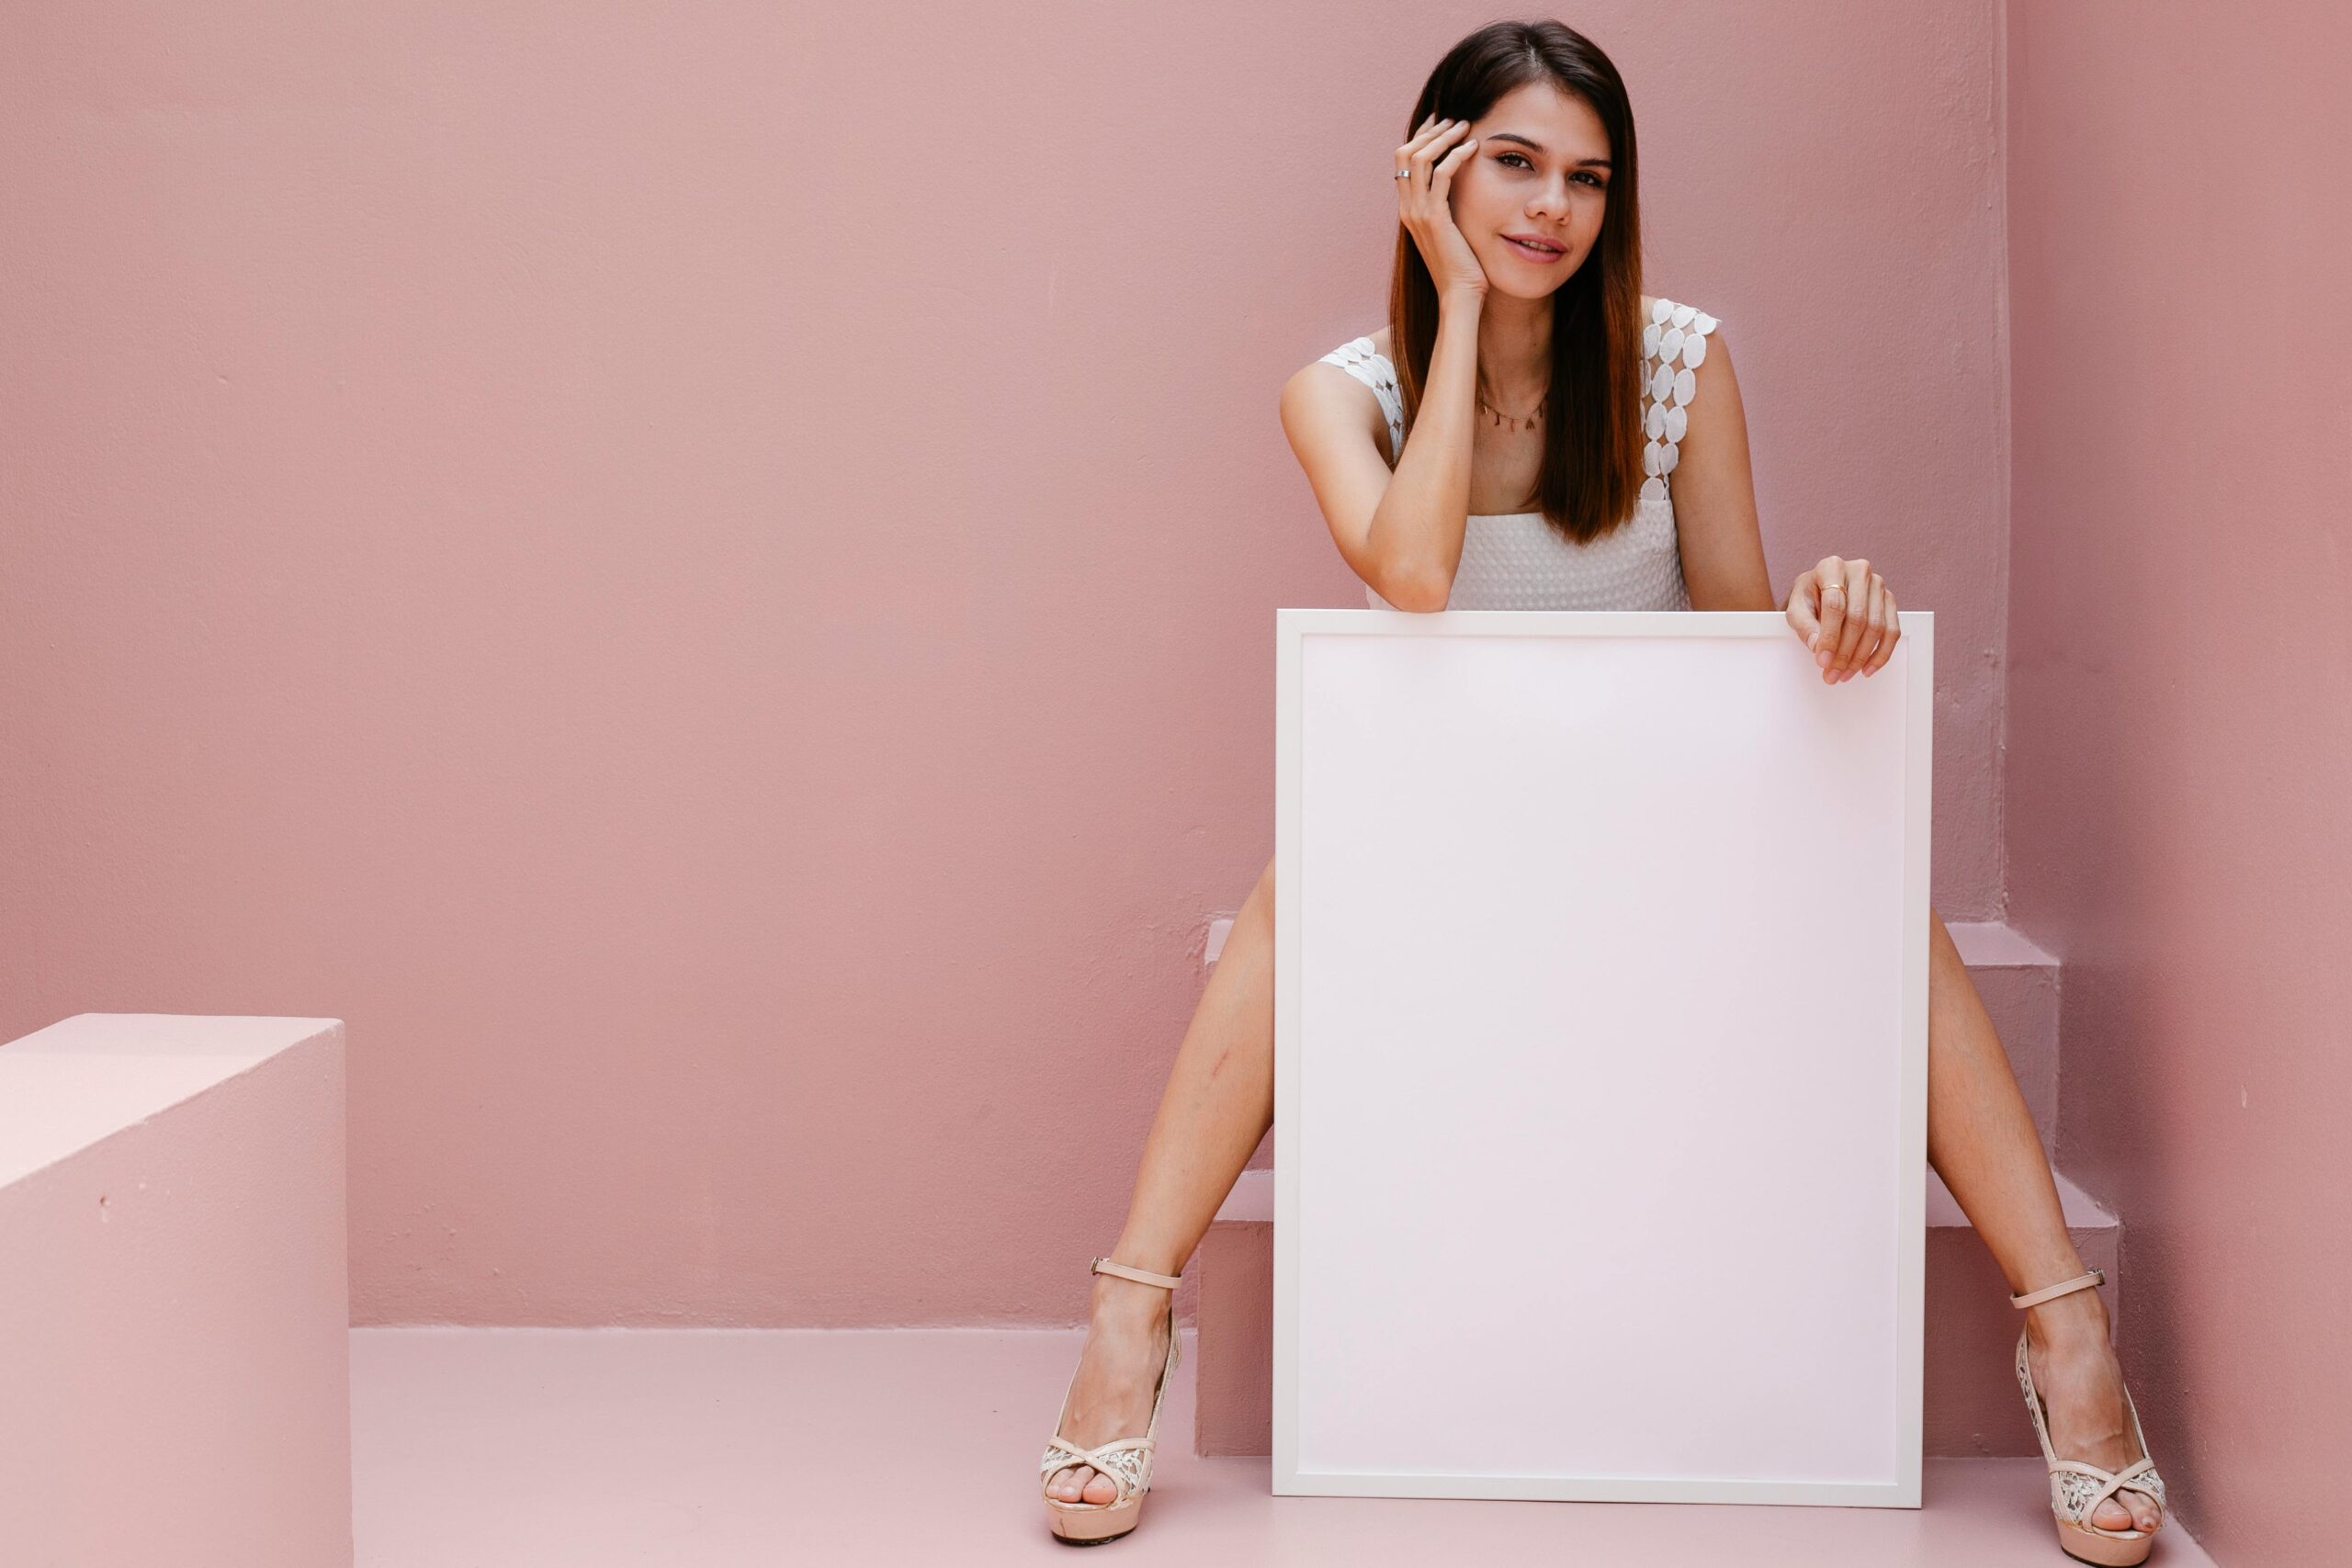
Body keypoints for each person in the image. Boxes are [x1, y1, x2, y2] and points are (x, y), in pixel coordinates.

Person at [1038, 20, 2166, 1562]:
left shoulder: (1678, 366)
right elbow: (1414, 575)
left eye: (1587, 178)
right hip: (1449, 853)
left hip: (1653, 841)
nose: (1552, 208)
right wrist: (1453, 299)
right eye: (1514, 163)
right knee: (1306, 885)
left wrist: (1821, 612)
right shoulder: (1340, 395)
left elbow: (1738, 660)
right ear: (1432, 170)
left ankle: (2068, 1336)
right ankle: (1128, 1316)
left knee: (1872, 895)